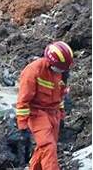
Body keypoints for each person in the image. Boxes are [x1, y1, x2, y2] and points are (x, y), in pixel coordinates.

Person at [16, 41, 73, 170]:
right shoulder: (33, 71)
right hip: (37, 113)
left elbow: (60, 96)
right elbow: (23, 101)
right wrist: (23, 127)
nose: (62, 72)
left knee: (44, 148)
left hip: (54, 113)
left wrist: (62, 116)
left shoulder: (62, 71)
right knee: (48, 147)